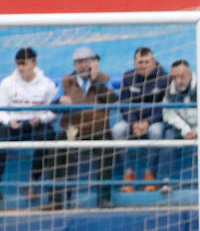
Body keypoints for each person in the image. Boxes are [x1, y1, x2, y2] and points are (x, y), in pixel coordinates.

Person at [54, 47, 116, 209]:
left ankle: (103, 197)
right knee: (57, 148)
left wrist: (96, 81)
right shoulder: (66, 81)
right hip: (73, 129)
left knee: (108, 148)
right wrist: (60, 101)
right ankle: (57, 199)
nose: (83, 65)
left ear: (94, 63)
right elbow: (52, 106)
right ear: (74, 64)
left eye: (87, 61)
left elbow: (112, 100)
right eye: (79, 62)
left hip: (97, 128)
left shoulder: (104, 79)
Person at [0, 47, 59, 207]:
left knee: (48, 137)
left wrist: (41, 118)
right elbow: (1, 110)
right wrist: (9, 121)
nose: (20, 68)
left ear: (33, 63)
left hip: (35, 124)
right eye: (18, 64)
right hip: (13, 125)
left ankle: (33, 182)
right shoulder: (7, 83)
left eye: (24, 64)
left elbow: (54, 111)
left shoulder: (47, 84)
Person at [112, 46, 169, 190]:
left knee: (156, 132)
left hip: (155, 121)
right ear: (135, 63)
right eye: (140, 62)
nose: (143, 65)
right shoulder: (128, 77)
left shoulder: (164, 78)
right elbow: (124, 104)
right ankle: (128, 173)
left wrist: (148, 122)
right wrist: (133, 123)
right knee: (117, 130)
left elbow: (165, 107)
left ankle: (150, 173)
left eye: (146, 62)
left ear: (153, 62)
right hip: (134, 122)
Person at [156, 59, 199, 194]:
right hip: (183, 129)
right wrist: (186, 130)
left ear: (190, 75)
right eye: (174, 77)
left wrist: (196, 131)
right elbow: (168, 114)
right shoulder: (170, 91)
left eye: (182, 76)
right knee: (168, 136)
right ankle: (165, 181)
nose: (178, 80)